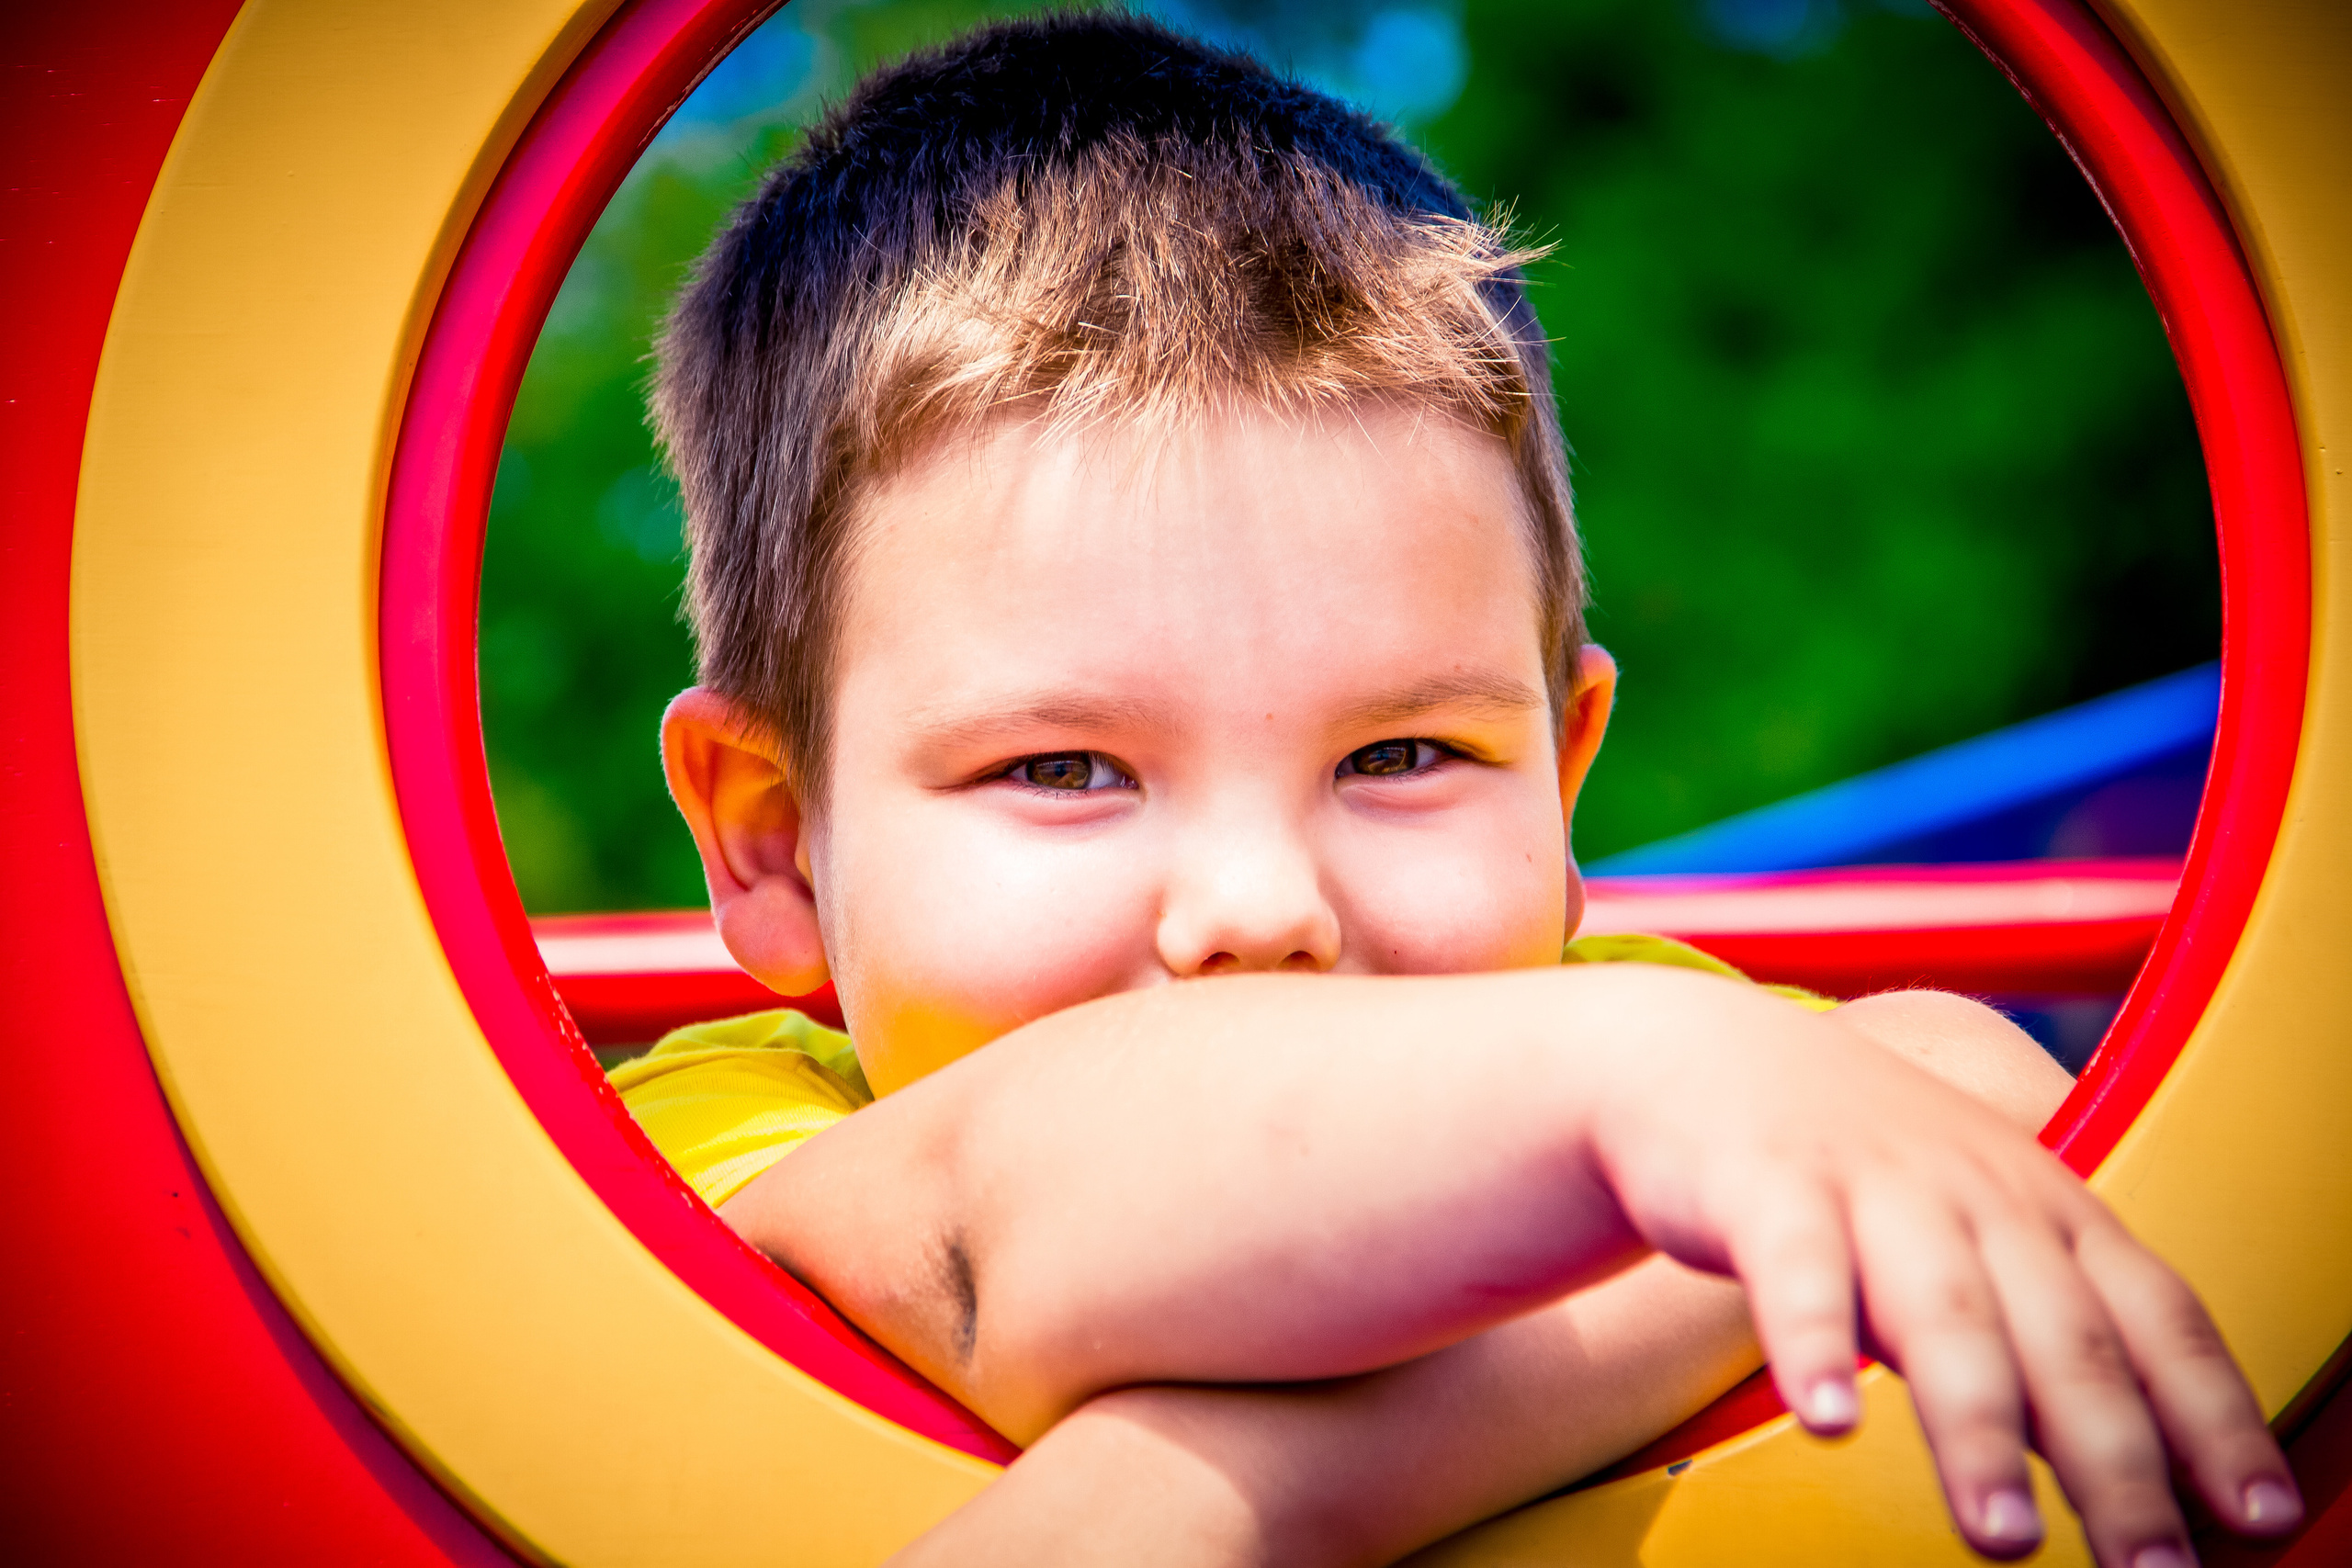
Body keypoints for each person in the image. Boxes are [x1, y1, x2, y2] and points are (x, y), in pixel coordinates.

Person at [607, 13, 2301, 1564]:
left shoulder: (1624, 1038)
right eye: (1064, 769)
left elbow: (1952, 1084)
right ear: (773, 834)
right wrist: (1636, 1104)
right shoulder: (705, 1164)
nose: (1264, 907)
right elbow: (1024, 1231)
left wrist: (1244, 1489)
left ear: (1562, 783)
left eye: (1402, 755)